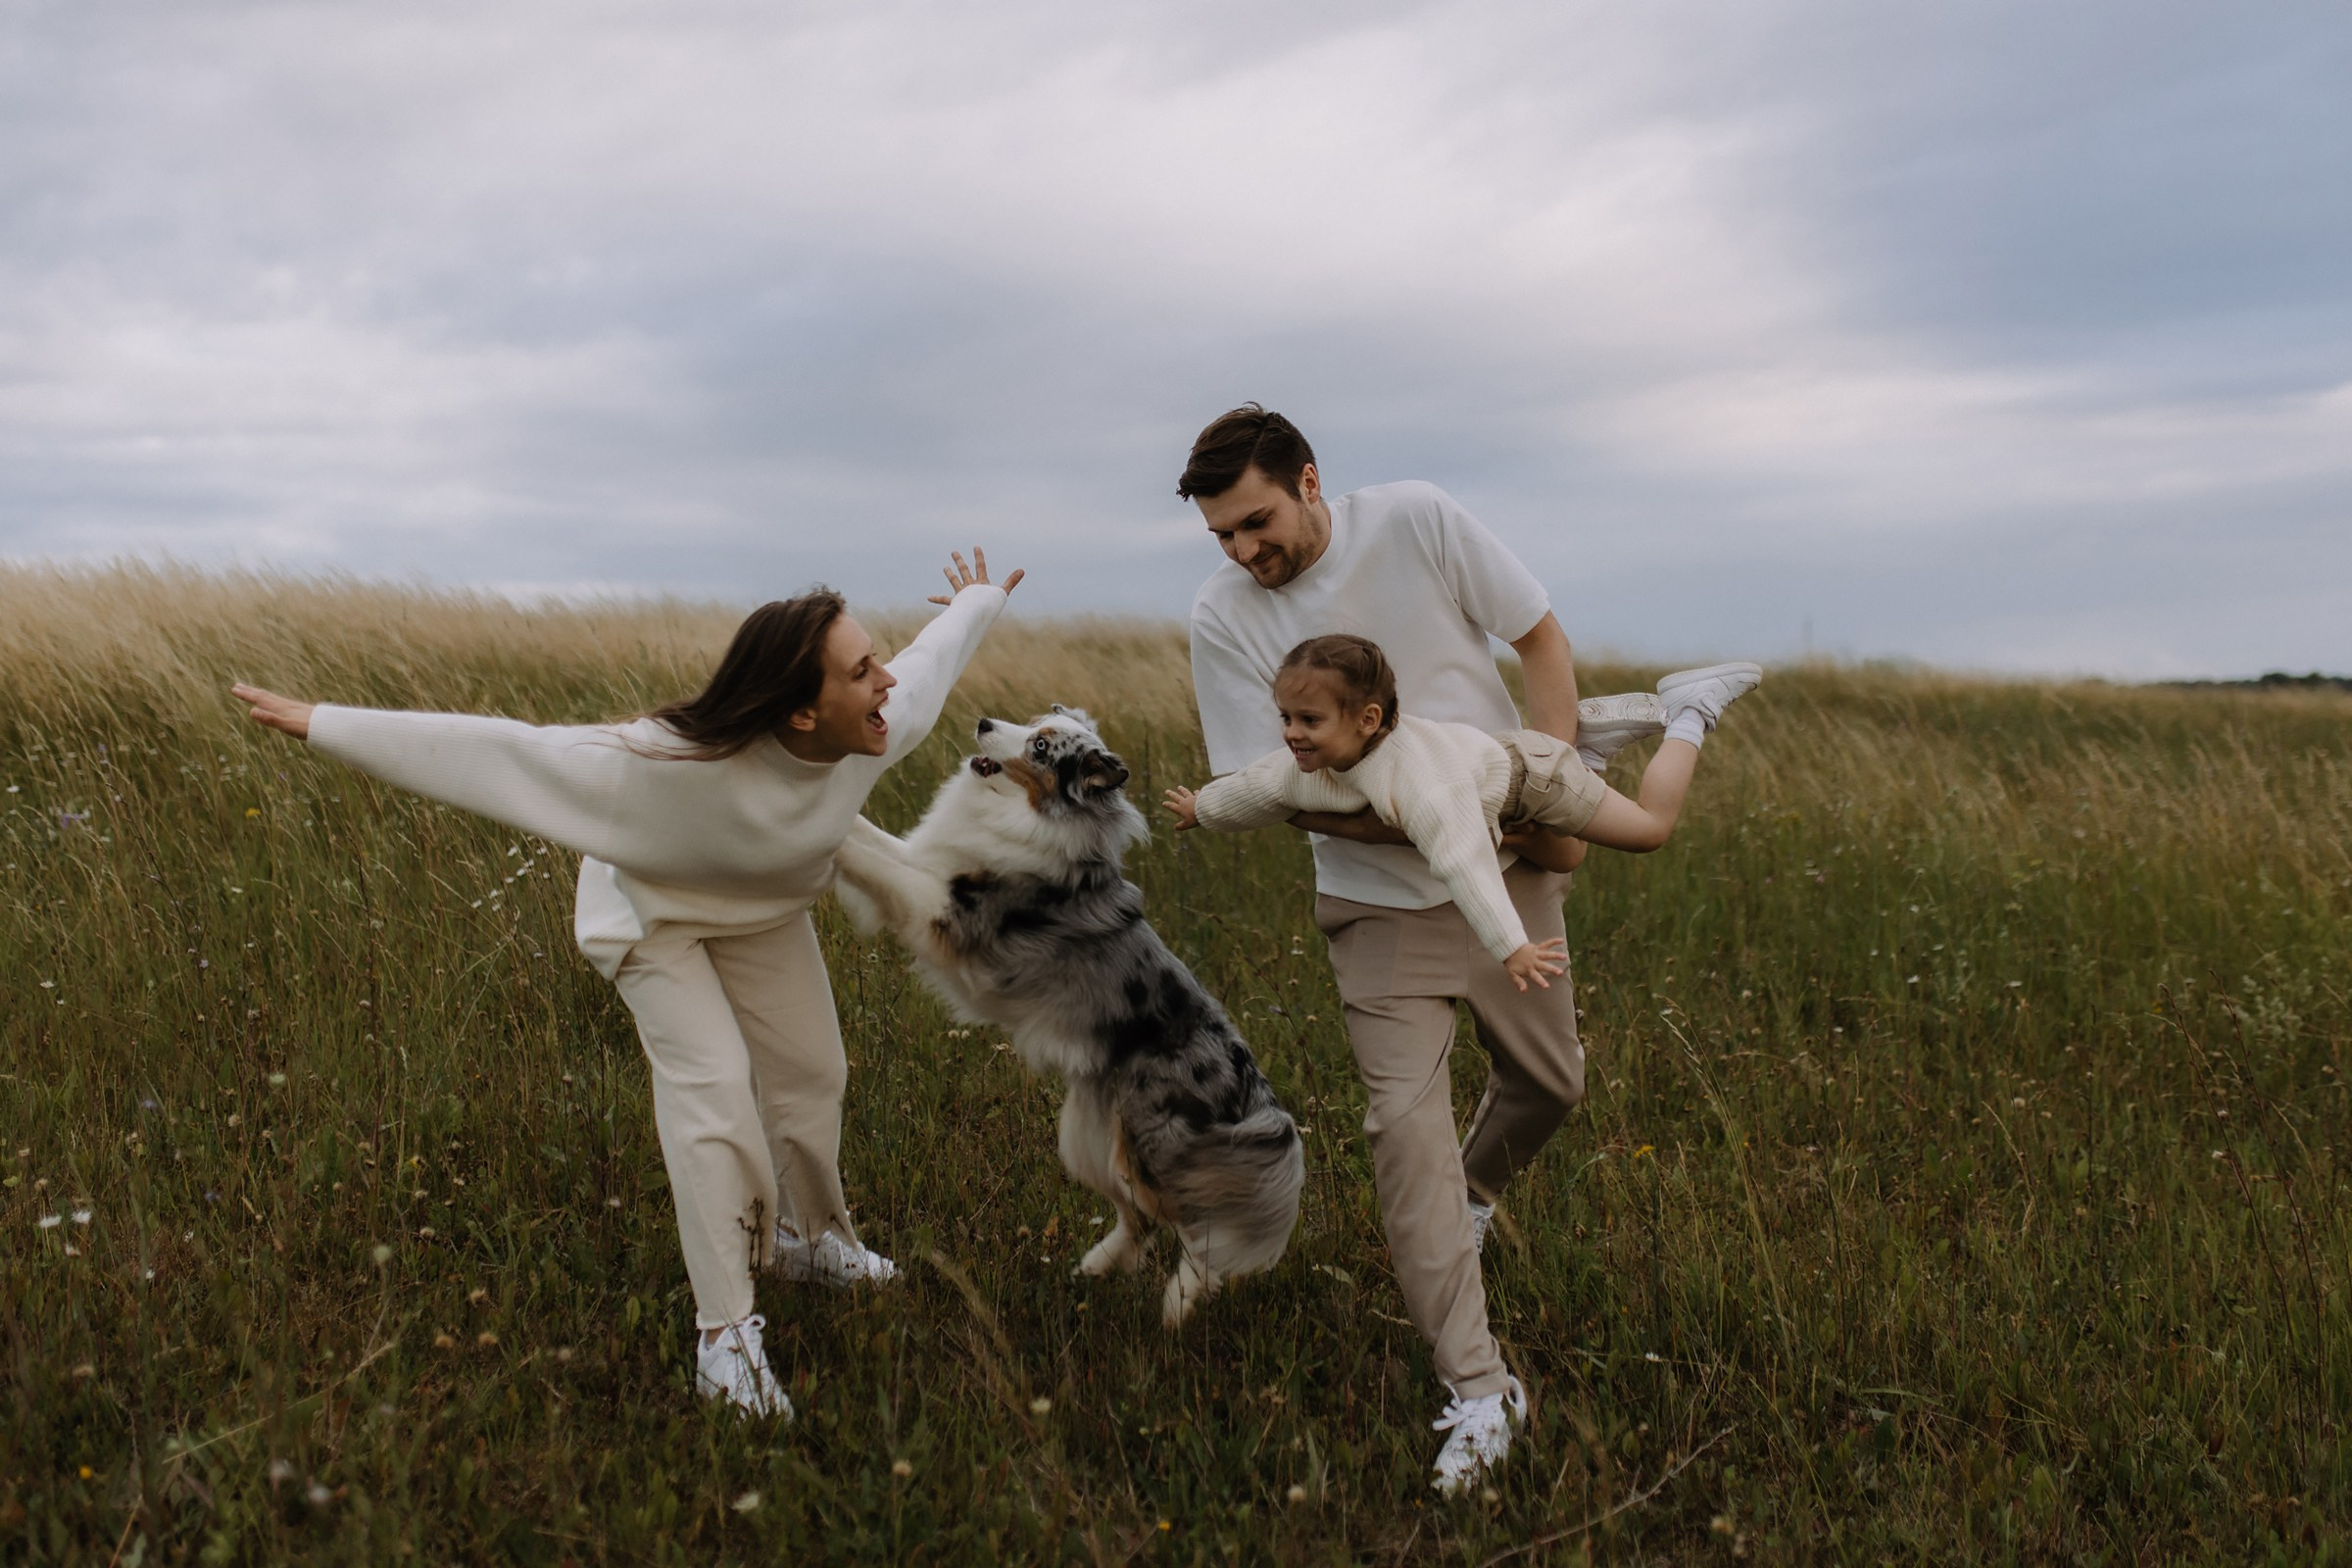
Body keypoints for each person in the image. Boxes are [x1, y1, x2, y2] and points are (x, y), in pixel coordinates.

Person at [232, 549, 1022, 1420]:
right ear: (801, 710)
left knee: (811, 1073)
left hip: (761, 908)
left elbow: (933, 659)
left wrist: (977, 600)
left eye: (875, 662)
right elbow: (505, 752)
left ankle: (810, 1240)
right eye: (862, 669)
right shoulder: (658, 763)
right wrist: (330, 724)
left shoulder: (871, 724)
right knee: (717, 1092)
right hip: (654, 922)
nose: (886, 682)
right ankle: (723, 1338)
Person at [1178, 403, 1709, 1494]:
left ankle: (1471, 1200)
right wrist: (1451, 826)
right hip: (1376, 910)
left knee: (1551, 1083)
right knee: (1401, 1142)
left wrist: (1544, 790)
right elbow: (1281, 795)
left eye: (1257, 521)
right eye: (1222, 534)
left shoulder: (1415, 518)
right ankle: (1477, 1386)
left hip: (1510, 874)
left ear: (1313, 482)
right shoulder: (1220, 616)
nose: (1243, 551)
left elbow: (1539, 637)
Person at [1163, 634, 1758, 992]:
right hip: (1500, 766)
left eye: (1309, 721)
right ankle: (1590, 745)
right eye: (1286, 717)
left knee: (1650, 830)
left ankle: (1688, 711)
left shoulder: (1423, 788)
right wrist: (1204, 809)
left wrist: (1512, 948)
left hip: (1538, 779)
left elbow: (1464, 861)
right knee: (1568, 849)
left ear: (1368, 721)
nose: (1292, 734)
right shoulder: (1303, 764)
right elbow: (1258, 790)